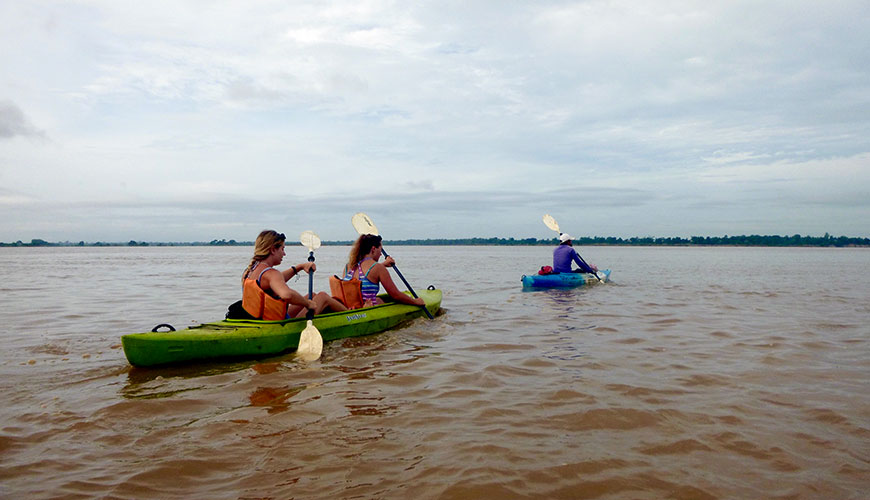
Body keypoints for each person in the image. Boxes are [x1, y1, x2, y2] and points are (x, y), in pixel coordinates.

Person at [241, 230, 346, 320]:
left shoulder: (250, 271)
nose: (284, 254)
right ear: (273, 250)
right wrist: (307, 304)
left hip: (263, 320)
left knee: (313, 295)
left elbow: (276, 281)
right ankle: (352, 316)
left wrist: (299, 267)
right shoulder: (271, 274)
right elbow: (287, 295)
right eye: (282, 249)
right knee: (322, 296)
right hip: (277, 324)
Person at [341, 233, 425, 308]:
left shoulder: (348, 266)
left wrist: (384, 264)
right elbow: (395, 295)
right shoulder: (378, 268)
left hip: (350, 308)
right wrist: (416, 302)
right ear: (373, 249)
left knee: (379, 300)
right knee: (379, 301)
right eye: (380, 250)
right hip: (367, 309)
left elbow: (364, 276)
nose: (381, 254)